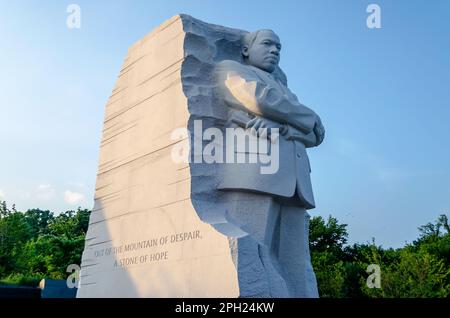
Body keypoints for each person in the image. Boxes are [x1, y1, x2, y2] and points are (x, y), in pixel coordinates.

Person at [214, 29, 325, 297]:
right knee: (252, 256)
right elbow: (258, 99)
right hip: (256, 176)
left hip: (297, 183)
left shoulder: (287, 93)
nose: (275, 50)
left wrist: (285, 126)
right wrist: (308, 117)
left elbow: (317, 134)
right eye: (267, 44)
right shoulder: (231, 69)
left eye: (279, 46)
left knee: (298, 265)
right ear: (246, 50)